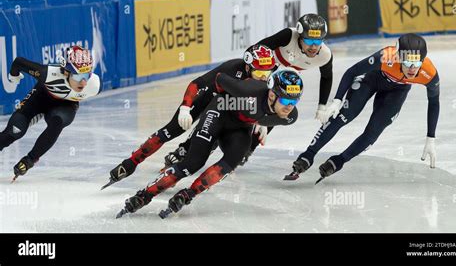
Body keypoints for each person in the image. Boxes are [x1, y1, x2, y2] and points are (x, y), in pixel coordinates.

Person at [116, 68, 303, 218]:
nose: (289, 106)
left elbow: (267, 116)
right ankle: (144, 195)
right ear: (271, 95)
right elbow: (219, 78)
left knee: (235, 159)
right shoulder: (249, 92)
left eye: (294, 101)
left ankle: (188, 194)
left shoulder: (289, 117)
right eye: (286, 99)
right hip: (219, 113)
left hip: (240, 127)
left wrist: (262, 124)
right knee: (193, 163)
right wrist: (190, 106)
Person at [165, 13, 334, 166]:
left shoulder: (325, 55)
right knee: (228, 111)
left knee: (276, 111)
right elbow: (254, 49)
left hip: (282, 80)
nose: (314, 46)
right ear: (299, 36)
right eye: (310, 41)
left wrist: (322, 106)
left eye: (318, 41)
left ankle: (248, 148)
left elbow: (326, 77)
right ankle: (186, 148)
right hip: (262, 74)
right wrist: (248, 81)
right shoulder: (288, 36)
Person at [102, 45, 277, 189]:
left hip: (226, 111)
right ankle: (130, 163)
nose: (263, 78)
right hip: (207, 100)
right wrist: (185, 108)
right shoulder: (232, 68)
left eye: (267, 73)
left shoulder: (269, 82)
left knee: (212, 139)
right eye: (259, 73)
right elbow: (197, 83)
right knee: (171, 130)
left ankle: (182, 156)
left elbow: (277, 106)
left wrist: (261, 120)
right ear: (247, 67)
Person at [287, 33, 440, 181]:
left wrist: (431, 138)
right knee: (344, 115)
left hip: (398, 90)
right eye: (407, 63)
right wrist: (337, 100)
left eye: (417, 63)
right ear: (398, 57)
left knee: (374, 131)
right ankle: (308, 155)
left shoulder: (429, 72)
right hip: (373, 79)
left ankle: (338, 161)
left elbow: (434, 101)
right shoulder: (385, 56)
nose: (413, 69)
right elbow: (351, 72)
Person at [0, 46, 101, 181]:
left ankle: (30, 159)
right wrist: (14, 76)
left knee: (57, 122)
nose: (83, 82)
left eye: (87, 75)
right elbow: (18, 62)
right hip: (39, 99)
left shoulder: (94, 85)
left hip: (65, 106)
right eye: (79, 76)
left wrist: (29, 160)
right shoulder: (49, 74)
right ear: (66, 72)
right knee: (15, 130)